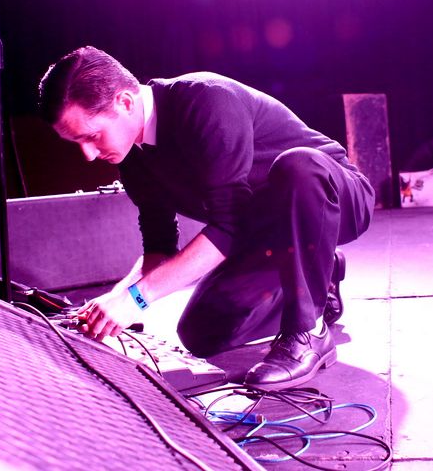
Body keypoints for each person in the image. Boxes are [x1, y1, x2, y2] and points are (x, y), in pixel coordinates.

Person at [37, 46, 375, 390]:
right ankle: (320, 276)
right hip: (266, 235)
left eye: (91, 136)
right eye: (76, 143)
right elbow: (159, 247)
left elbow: (229, 227)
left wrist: (136, 299)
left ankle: (307, 330)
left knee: (298, 165)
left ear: (125, 102)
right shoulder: (132, 158)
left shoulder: (206, 100)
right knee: (201, 333)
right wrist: (113, 302)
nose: (88, 155)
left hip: (334, 198)